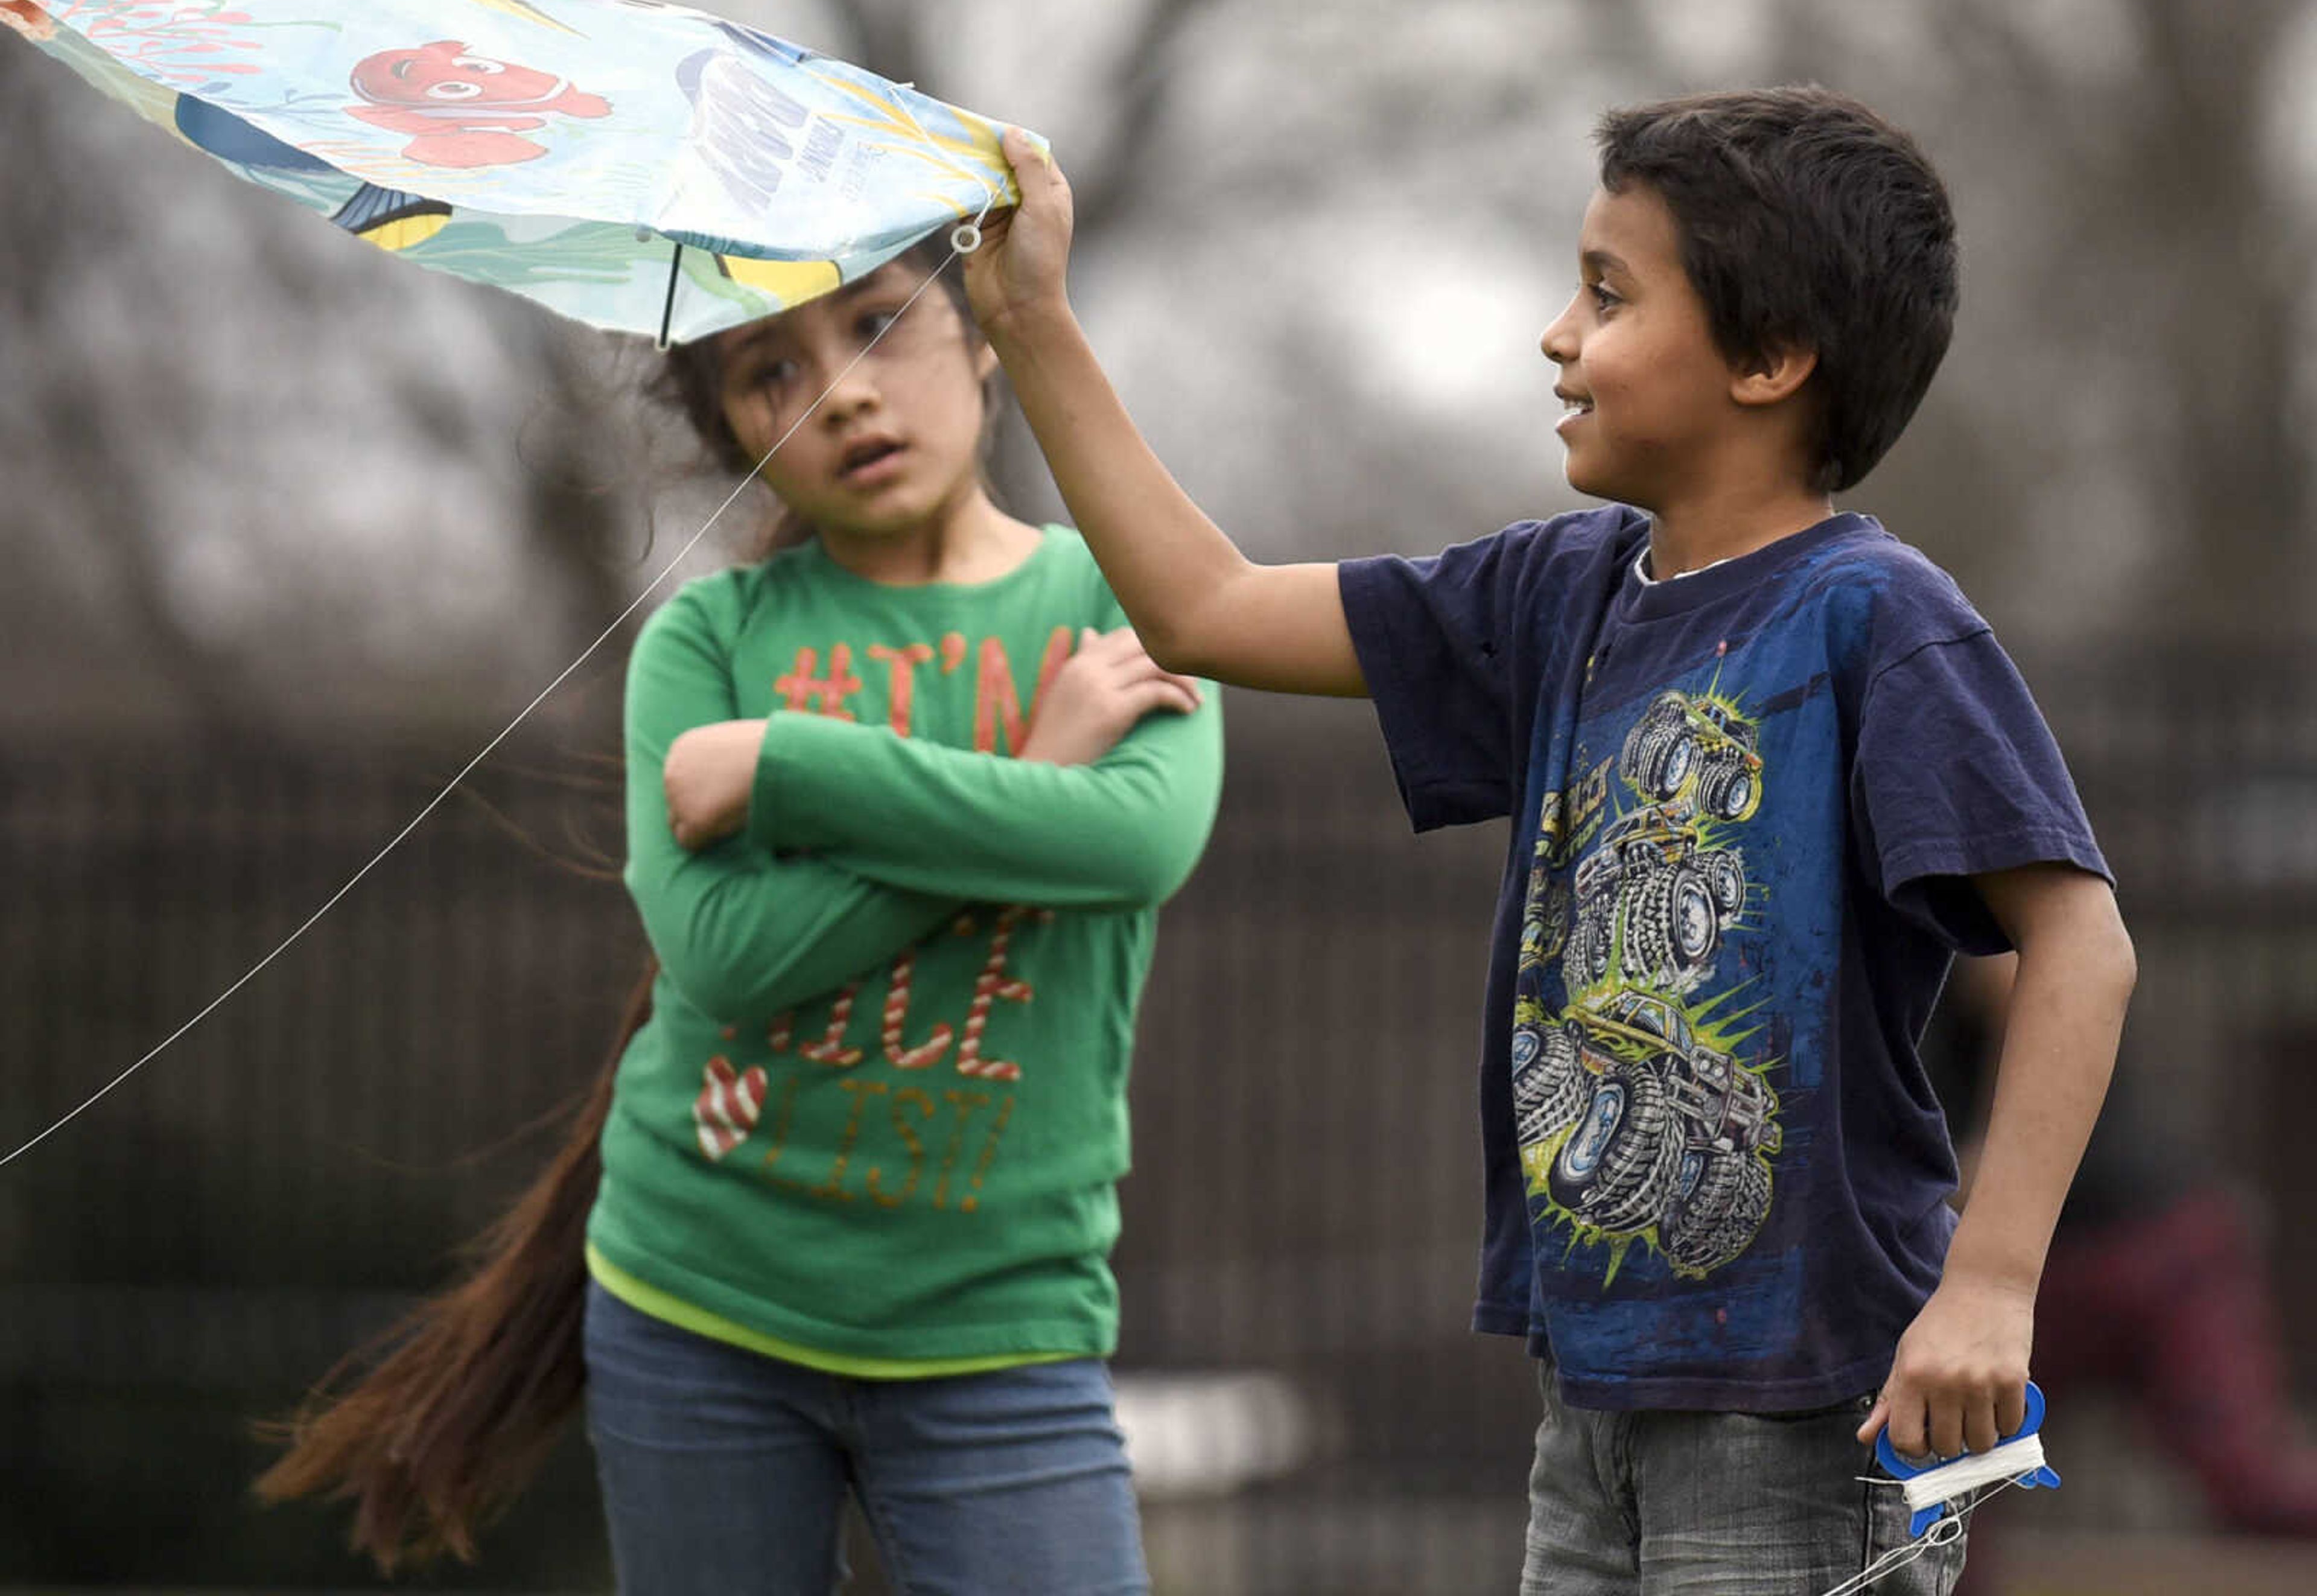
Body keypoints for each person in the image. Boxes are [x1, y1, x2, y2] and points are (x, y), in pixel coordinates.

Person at [960, 87, 2137, 1594]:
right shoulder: (1553, 592)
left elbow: (2077, 942)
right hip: (1585, 1394)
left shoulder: (1877, 621)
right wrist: (1033, 321)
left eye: (1606, 292)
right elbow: (1205, 610)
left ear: (1771, 361)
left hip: (1799, 1405)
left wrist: (1986, 1285)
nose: (1554, 335)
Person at [256, 237, 1223, 1596]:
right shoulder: (705, 643)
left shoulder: (1120, 595)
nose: (841, 394)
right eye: (773, 369)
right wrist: (1029, 782)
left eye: (881, 326)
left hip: (998, 1325)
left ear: (984, 334)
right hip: (696, 1311)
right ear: (735, 429)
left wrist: (782, 764)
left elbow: (1134, 842)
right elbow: (724, 956)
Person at [1924, 955, 2317, 1595]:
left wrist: (1984, 1165)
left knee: (2255, 1483)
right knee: (1947, 1500)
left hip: (2148, 1248)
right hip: (2072, 1269)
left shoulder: (1978, 921)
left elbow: (2015, 973)